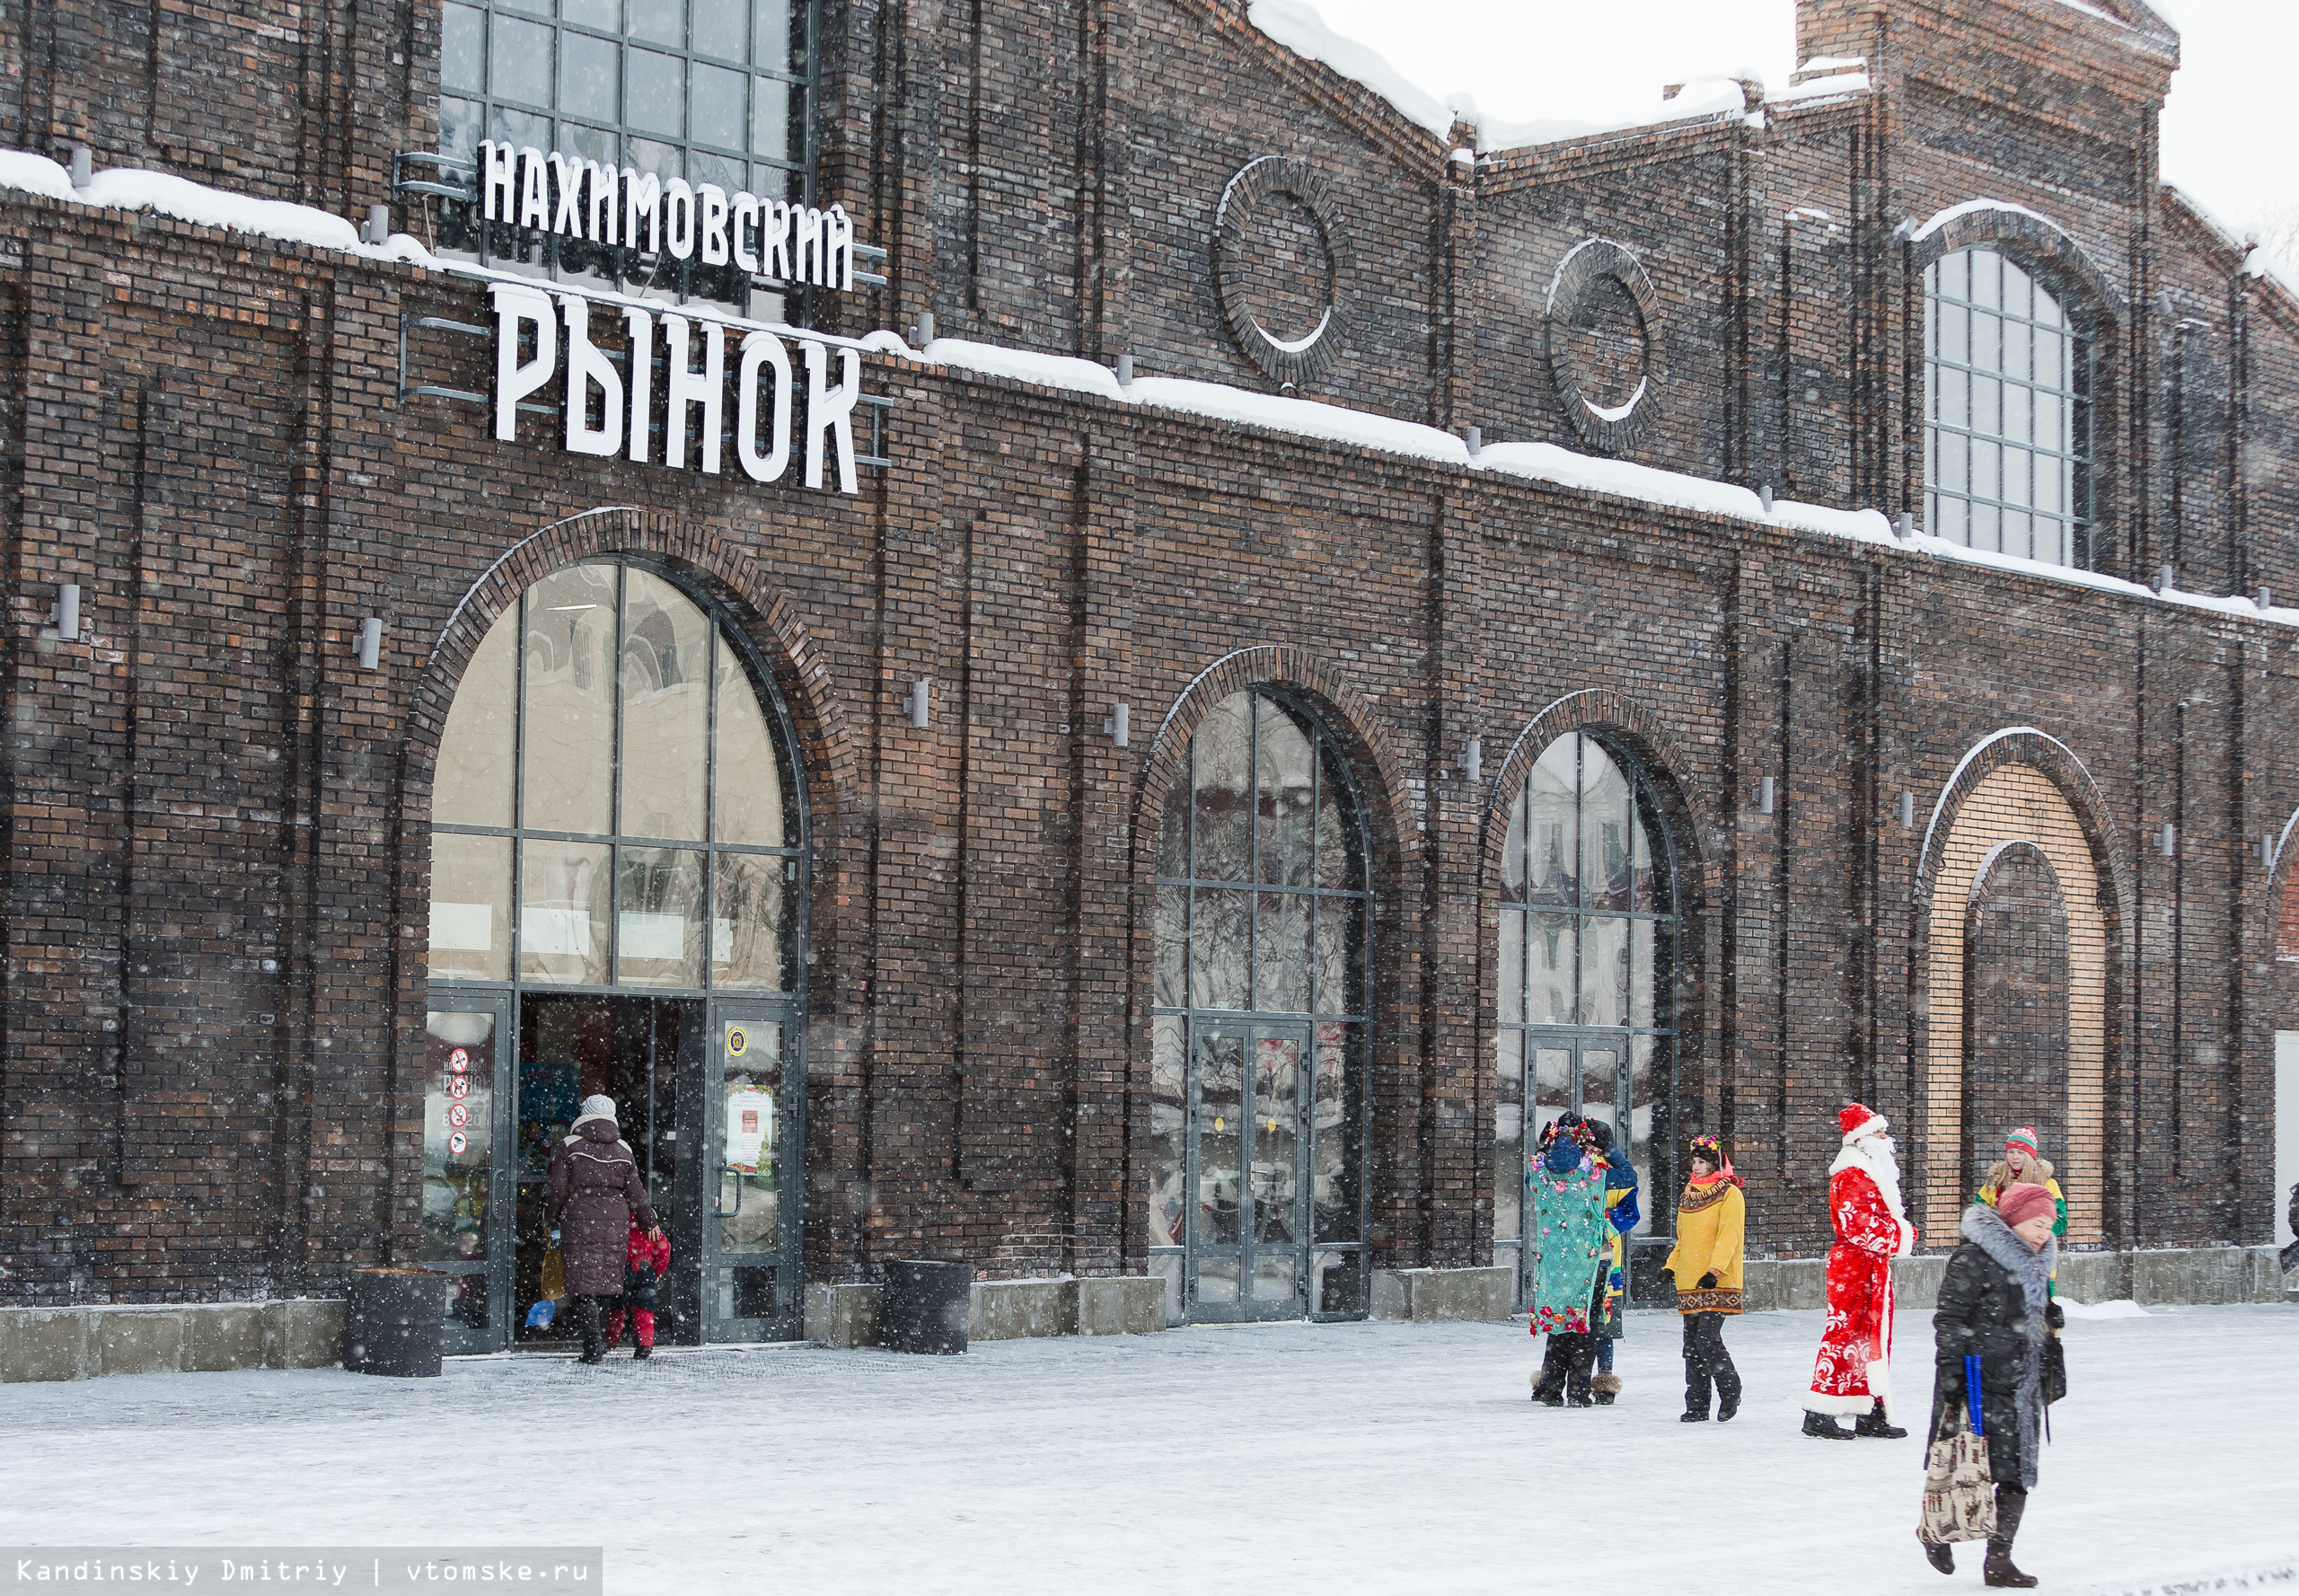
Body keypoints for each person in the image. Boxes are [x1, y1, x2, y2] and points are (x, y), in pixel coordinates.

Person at [1919, 1181, 2062, 1587]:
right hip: (1974, 1379)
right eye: (2037, 1223)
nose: (2043, 1233)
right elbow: (1949, 1318)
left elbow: (2028, 1311)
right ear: (2014, 1220)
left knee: (2014, 1475)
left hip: (2020, 1384)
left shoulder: (2037, 1259)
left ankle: (1999, 1561)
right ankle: (1933, 1531)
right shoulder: (1974, 1258)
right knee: (1960, 1464)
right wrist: (1952, 1370)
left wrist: (2050, 1320)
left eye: (2049, 1226)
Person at [1806, 1102, 1916, 1440]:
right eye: (1880, 1132)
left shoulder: (1868, 1172)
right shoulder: (1853, 1174)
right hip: (1854, 1266)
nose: (1887, 1138)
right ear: (1864, 1138)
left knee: (1872, 1339)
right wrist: (1903, 1235)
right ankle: (1820, 1411)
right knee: (1845, 1335)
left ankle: (1870, 1410)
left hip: (1871, 1267)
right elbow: (1860, 1225)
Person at [544, 1094, 664, 1365]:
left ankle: (592, 1346)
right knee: (608, 1281)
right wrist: (650, 1222)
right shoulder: (624, 1149)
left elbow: (557, 1190)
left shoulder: (569, 1145)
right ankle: (603, 1339)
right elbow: (637, 1193)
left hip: (579, 1219)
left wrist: (549, 1217)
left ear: (584, 1114)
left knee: (582, 1283)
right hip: (615, 1222)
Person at [1528, 1115, 1612, 1407]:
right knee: (1585, 1327)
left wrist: (1543, 1151)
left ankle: (1550, 1390)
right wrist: (1606, 1147)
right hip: (1590, 1264)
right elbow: (1628, 1177)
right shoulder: (1594, 1176)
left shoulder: (1543, 1178)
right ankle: (1578, 1392)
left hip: (1557, 1265)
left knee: (1559, 1327)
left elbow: (1532, 1176)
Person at [1663, 1133, 1745, 1422]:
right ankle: (1697, 1406)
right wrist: (1671, 1266)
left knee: (1707, 1340)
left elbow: (1729, 1236)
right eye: (1694, 1161)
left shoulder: (1730, 1194)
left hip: (1716, 1279)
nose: (1696, 1167)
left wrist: (1715, 1271)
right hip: (1689, 1279)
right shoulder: (1688, 1194)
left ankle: (1730, 1390)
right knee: (1691, 1347)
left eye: (1702, 1162)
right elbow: (1683, 1238)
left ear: (1715, 1164)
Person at [1585, 1117, 1641, 1406]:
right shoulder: (1577, 1172)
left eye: (1596, 1146)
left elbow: (1630, 1211)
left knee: (1604, 1323)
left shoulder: (1608, 1175)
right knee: (1579, 1321)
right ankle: (1578, 1377)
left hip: (1606, 1258)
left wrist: (1603, 1224)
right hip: (1582, 1258)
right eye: (1587, 1145)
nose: (1590, 1151)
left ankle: (1604, 1381)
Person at [1974, 1127, 2067, 1293]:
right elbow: (1976, 1216)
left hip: (2036, 1260)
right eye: (2011, 1151)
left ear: (2031, 1155)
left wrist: (2033, 1231)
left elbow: (2060, 1221)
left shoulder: (2048, 1184)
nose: (2015, 1157)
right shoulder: (1994, 1183)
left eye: (2021, 1152)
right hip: (1999, 1260)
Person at [604, 1218, 673, 1360]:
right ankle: (645, 1344)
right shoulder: (652, 1229)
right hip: (644, 1268)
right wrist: (656, 1272)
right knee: (644, 1309)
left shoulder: (619, 1225)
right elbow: (664, 1251)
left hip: (621, 1270)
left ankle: (610, 1341)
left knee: (617, 1308)